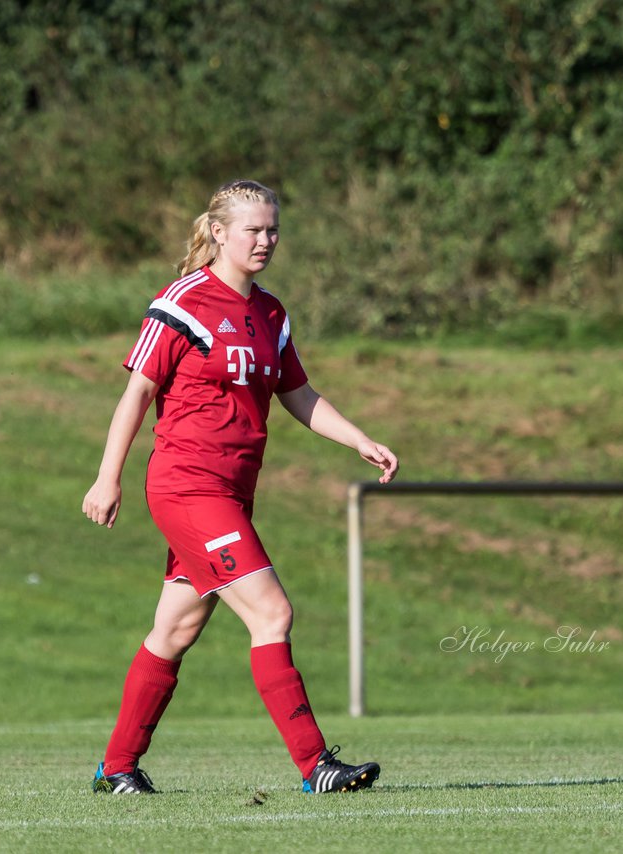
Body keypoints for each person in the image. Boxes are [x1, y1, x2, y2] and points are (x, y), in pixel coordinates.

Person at [82, 179, 399, 795]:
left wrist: (358, 438)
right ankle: (316, 766)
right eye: (252, 230)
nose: (265, 240)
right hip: (186, 488)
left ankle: (116, 768)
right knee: (272, 612)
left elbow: (298, 394)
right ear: (219, 232)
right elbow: (137, 393)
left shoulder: (271, 312)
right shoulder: (182, 303)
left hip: (232, 494)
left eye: (272, 229)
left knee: (175, 630)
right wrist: (107, 477)